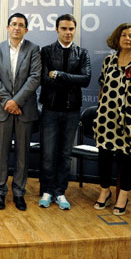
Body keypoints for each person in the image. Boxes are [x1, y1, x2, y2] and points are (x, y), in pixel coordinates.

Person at [93, 23, 131, 216]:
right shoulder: (108, 61)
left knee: (127, 158)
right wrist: (100, 110)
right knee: (104, 156)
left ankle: (123, 196)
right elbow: (102, 86)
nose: (127, 39)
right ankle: (105, 190)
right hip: (106, 119)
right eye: (124, 35)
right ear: (117, 38)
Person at [0, 13, 41, 211]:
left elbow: (35, 78)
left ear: (26, 30)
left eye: (21, 25)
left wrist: (16, 101)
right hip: (3, 109)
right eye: (13, 24)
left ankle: (19, 192)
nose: (17, 28)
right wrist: (7, 101)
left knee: (22, 154)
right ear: (8, 28)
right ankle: (0, 192)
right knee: (1, 153)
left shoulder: (33, 49)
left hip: (24, 110)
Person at [38, 14, 91, 210]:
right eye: (64, 29)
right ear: (57, 29)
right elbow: (44, 80)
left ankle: (60, 192)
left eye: (71, 29)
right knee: (48, 154)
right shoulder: (46, 51)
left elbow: (85, 80)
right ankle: (47, 190)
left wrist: (60, 75)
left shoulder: (82, 53)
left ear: (74, 30)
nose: (68, 33)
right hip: (50, 110)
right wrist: (70, 80)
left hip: (72, 111)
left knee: (65, 154)